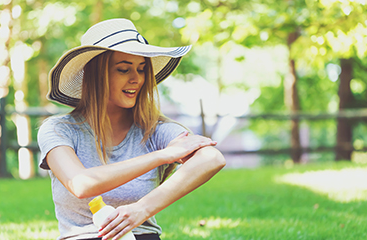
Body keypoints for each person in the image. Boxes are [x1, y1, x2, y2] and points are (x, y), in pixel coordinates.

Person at [38, 18, 226, 240]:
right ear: (96, 75)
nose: (137, 79)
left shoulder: (154, 130)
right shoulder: (59, 129)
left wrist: (142, 209)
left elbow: (212, 158)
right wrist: (164, 156)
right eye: (124, 69)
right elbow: (80, 184)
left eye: (142, 69)